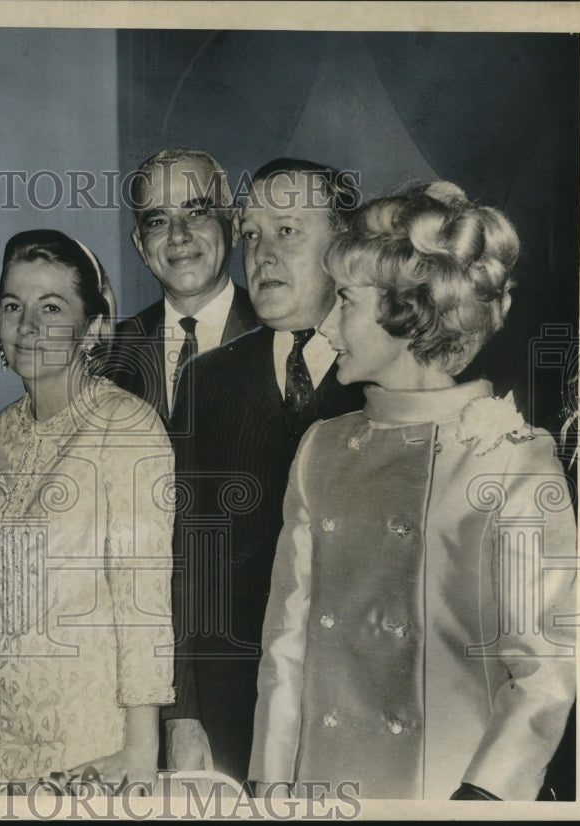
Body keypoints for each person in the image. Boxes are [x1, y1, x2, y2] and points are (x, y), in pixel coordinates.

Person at [249, 182, 577, 799]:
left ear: (406, 312)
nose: (327, 327)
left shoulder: (512, 460)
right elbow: (284, 649)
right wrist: (268, 788)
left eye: (344, 300)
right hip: (322, 789)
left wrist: (479, 802)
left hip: (443, 791)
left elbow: (544, 674)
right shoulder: (320, 447)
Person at [163, 159, 364, 783]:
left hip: (353, 708)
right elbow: (183, 557)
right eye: (251, 234)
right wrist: (184, 714)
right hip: (229, 712)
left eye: (287, 231)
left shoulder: (387, 379)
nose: (262, 254)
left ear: (343, 247)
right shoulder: (205, 380)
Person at [0, 230, 176, 789]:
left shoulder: (126, 425)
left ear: (94, 328)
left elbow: (144, 599)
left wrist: (140, 747)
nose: (29, 325)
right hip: (2, 726)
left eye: (52, 307)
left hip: (92, 731)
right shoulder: (4, 431)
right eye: (13, 306)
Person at [105, 148, 258, 420]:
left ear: (234, 225)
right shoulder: (111, 351)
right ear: (141, 246)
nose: (178, 235)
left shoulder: (278, 333)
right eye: (158, 221)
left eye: (197, 212)